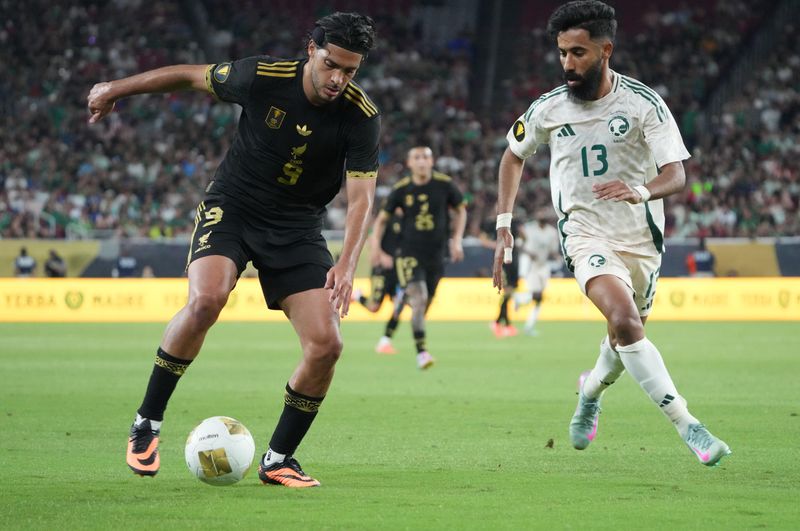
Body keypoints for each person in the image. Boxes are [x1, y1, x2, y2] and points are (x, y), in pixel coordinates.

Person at [88, 12, 380, 487]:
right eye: (332, 65)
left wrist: (347, 263)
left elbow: (362, 197)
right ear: (311, 49)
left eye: (350, 71)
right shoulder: (262, 76)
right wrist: (113, 88)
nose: (338, 80)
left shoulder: (360, 114)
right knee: (206, 300)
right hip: (235, 207)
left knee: (327, 345)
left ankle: (279, 458)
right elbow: (187, 76)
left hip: (298, 227)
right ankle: (147, 423)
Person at [492, 1, 730, 466]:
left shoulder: (643, 103)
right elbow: (512, 155)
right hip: (584, 235)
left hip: (642, 242)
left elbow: (676, 174)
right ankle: (689, 426)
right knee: (623, 320)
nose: (567, 64)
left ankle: (589, 393)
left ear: (606, 50)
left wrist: (639, 190)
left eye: (578, 53)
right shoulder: (548, 108)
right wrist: (503, 225)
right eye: (562, 53)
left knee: (625, 336)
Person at [371, 146, 467, 369]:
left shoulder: (445, 184)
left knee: (425, 303)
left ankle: (400, 326)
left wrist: (456, 239)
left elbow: (461, 209)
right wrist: (376, 246)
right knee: (420, 297)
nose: (422, 161)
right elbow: (381, 220)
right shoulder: (401, 189)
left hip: (436, 255)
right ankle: (422, 352)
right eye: (417, 157)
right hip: (408, 255)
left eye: (425, 157)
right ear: (409, 163)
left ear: (432, 162)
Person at [354, 207, 408, 354]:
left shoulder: (409, 220)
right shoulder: (387, 218)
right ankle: (357, 296)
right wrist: (380, 255)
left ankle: (385, 342)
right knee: (374, 307)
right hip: (382, 271)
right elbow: (372, 237)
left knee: (399, 306)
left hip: (399, 271)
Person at [515, 209, 560, 335]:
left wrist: (556, 256)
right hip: (532, 265)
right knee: (537, 295)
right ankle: (520, 302)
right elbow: (519, 244)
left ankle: (529, 322)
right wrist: (529, 253)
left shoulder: (551, 232)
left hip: (543, 265)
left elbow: (552, 249)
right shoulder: (529, 229)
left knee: (540, 298)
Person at [480, 216, 521, 338]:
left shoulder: (514, 222)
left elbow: (523, 236)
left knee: (510, 292)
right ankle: (506, 324)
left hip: (514, 260)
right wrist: (497, 245)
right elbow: (482, 240)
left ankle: (498, 322)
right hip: (502, 261)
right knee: (507, 292)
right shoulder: (492, 223)